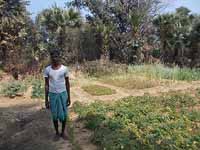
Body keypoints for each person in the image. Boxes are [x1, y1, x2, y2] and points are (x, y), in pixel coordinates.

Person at [44, 50, 71, 140]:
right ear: (51, 58)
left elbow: (67, 83)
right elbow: (46, 85)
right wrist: (46, 99)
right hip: (52, 95)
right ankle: (56, 133)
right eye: (53, 57)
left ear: (59, 57)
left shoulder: (64, 69)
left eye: (56, 56)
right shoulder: (47, 70)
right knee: (54, 115)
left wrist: (69, 97)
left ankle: (63, 132)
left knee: (64, 115)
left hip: (63, 94)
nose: (55, 58)